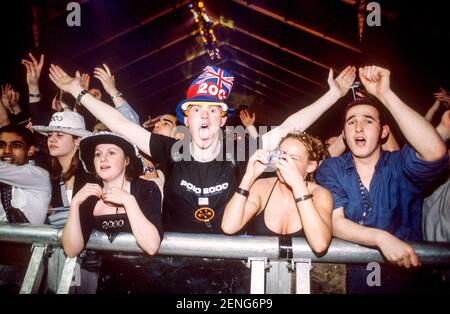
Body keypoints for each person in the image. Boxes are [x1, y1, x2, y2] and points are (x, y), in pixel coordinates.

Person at [48, 64, 356, 234]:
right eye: (197, 110)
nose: (205, 116)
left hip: (230, 262)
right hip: (176, 261)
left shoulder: (238, 150)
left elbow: (289, 126)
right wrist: (78, 93)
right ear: (187, 118)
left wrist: (334, 95)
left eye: (213, 111)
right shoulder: (170, 150)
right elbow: (121, 125)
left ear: (223, 119)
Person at [316, 65, 449, 293]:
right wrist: (381, 238)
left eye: (368, 121)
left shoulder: (399, 164)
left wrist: (385, 94)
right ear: (345, 135)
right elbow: (335, 222)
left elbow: (435, 150)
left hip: (407, 281)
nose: (358, 127)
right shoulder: (332, 168)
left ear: (384, 132)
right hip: (354, 279)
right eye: (351, 122)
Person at [61, 131, 163, 293]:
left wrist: (129, 201)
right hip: (97, 283)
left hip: (142, 281)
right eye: (98, 154)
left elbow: (151, 245)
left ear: (127, 161)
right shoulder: (88, 195)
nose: (103, 158)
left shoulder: (146, 189)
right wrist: (75, 205)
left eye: (111, 153)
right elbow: (71, 249)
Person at [222, 131, 332, 254]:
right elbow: (229, 226)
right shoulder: (262, 187)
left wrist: (298, 186)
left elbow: (320, 244)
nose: (284, 162)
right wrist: (248, 177)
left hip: (302, 272)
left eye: (293, 158)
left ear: (310, 166)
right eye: (281, 156)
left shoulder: (320, 194)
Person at [0, 124, 51, 293]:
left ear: (30, 151)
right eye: (1, 145)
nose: (6, 151)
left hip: (25, 268)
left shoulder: (38, 175)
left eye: (15, 145)